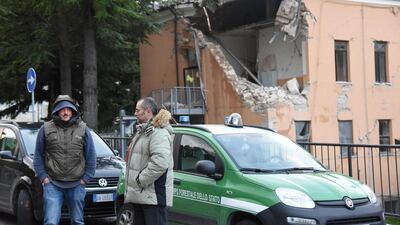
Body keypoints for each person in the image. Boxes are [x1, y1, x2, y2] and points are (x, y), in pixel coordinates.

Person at [33, 95, 96, 225]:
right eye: (62, 109)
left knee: (77, 221)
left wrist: (86, 178)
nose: (66, 112)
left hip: (77, 184)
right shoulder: (45, 129)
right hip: (53, 184)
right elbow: (38, 156)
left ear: (73, 110)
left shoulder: (83, 129)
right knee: (50, 222)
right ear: (56, 111)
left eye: (69, 109)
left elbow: (91, 155)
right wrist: (44, 178)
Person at [125, 97, 173, 225]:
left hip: (153, 197)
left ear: (148, 111)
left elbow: (160, 163)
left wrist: (140, 180)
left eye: (137, 110)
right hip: (142, 196)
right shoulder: (143, 131)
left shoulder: (158, 133)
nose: (135, 113)